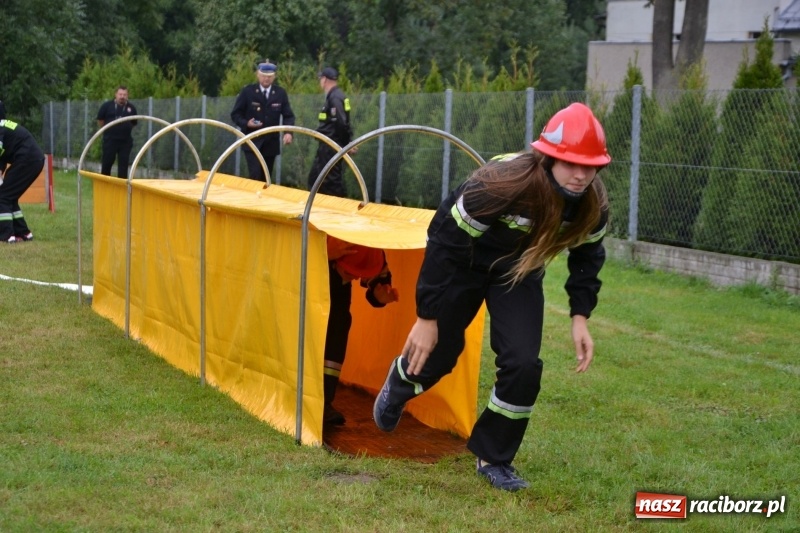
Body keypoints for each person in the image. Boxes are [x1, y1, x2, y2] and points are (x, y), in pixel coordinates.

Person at [372, 103, 612, 491]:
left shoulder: (591, 205)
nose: (582, 174)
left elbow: (588, 256)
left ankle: (494, 458)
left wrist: (580, 316)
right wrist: (427, 317)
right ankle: (399, 386)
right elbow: (445, 242)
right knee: (439, 354)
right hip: (463, 261)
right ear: (548, 157)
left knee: (522, 363)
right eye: (571, 163)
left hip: (517, 272)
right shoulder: (501, 183)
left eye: (591, 165)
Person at [324, 236, 399, 426]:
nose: (356, 277)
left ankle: (324, 402)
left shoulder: (370, 243)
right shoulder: (326, 238)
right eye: (350, 272)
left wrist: (379, 295)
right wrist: (321, 252)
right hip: (312, 284)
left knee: (337, 332)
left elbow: (377, 277)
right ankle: (299, 396)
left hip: (339, 299)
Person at [230, 60, 295, 182]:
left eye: (269, 76)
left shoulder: (280, 93)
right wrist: (246, 123)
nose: (266, 79)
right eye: (264, 76)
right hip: (252, 142)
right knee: (255, 174)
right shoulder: (248, 92)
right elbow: (235, 114)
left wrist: (288, 132)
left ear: (274, 76)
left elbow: (288, 115)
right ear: (258, 75)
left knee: (266, 177)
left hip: (271, 143)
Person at [307, 67, 354, 198]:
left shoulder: (334, 98)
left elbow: (341, 124)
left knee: (330, 181)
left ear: (325, 79)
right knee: (316, 179)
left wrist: (347, 144)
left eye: (320, 79)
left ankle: (338, 210)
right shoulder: (335, 96)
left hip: (331, 146)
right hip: (326, 145)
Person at [0, 118, 45, 243]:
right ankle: (23, 232)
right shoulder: (5, 125)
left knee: (3, 196)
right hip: (33, 159)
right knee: (10, 196)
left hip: (27, 160)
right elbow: (3, 154)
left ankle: (6, 235)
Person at [96, 86, 138, 179]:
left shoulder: (131, 108)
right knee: (107, 163)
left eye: (124, 94)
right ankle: (105, 184)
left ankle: (122, 187)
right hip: (110, 140)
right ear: (116, 94)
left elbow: (134, 123)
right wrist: (109, 130)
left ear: (127, 96)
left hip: (125, 142)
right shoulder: (107, 106)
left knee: (123, 166)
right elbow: (100, 120)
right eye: (120, 94)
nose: (122, 96)